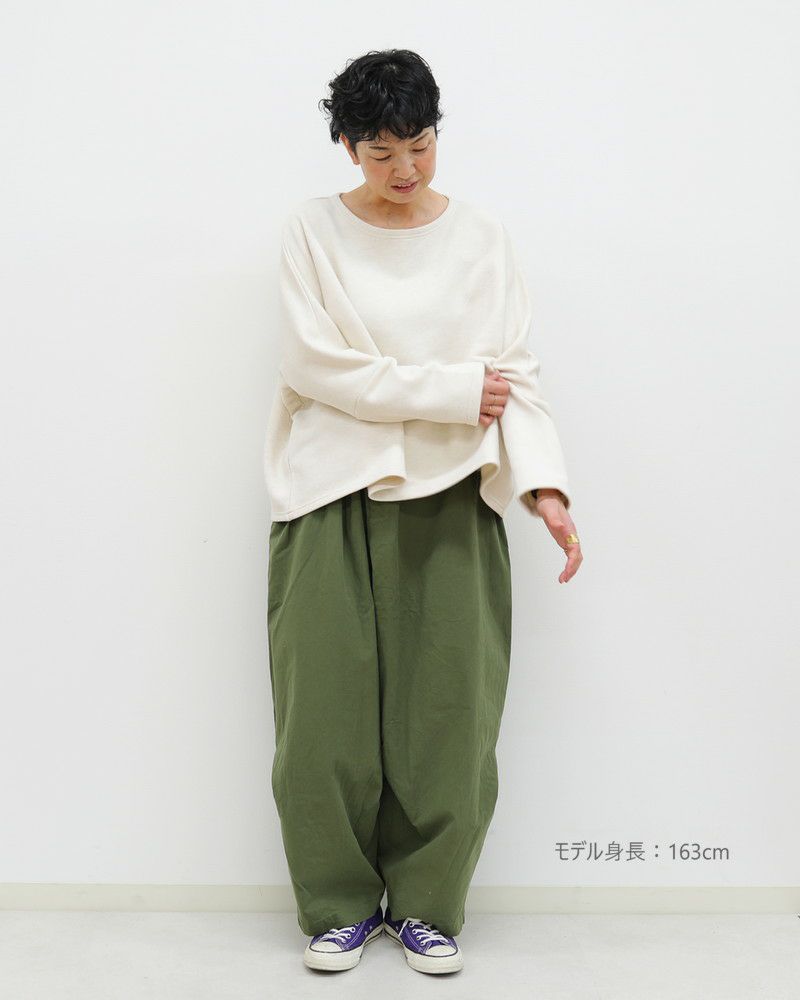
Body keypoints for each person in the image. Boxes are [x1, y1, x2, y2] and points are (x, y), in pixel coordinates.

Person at [263, 48, 582, 976]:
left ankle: (428, 909)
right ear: (346, 146)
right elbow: (315, 366)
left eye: (421, 144)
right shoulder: (311, 231)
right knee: (321, 723)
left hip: (454, 491)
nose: (405, 168)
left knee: (448, 716)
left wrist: (546, 488)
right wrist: (451, 390)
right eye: (381, 152)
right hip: (328, 490)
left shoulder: (481, 237)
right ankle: (337, 907)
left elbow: (513, 374)